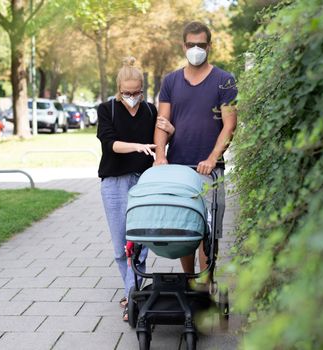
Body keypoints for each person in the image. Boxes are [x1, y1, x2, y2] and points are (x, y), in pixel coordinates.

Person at [153, 21, 238, 279]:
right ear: (184, 46)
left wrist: (212, 158)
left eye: (201, 45)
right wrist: (160, 156)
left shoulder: (225, 81)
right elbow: (162, 123)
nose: (196, 49)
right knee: (183, 228)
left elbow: (230, 125)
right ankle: (189, 283)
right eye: (191, 45)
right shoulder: (171, 81)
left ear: (209, 46)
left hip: (210, 172)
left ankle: (206, 283)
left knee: (208, 232)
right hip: (179, 169)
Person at [97, 57, 174, 321]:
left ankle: (133, 295)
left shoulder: (151, 111)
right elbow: (110, 144)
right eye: (127, 93)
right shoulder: (107, 109)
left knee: (139, 241)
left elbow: (162, 140)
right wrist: (136, 147)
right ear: (119, 89)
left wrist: (171, 131)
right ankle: (133, 291)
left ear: (142, 88)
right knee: (121, 247)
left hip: (144, 181)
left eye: (136, 92)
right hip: (114, 182)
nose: (132, 97)